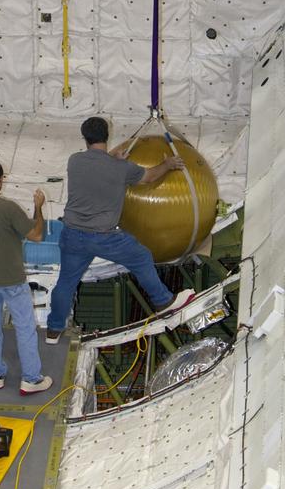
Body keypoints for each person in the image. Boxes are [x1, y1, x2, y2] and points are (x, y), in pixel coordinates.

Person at [46, 117, 196, 342]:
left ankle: (53, 330)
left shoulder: (74, 161)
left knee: (66, 283)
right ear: (107, 135)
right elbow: (150, 177)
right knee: (141, 256)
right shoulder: (122, 168)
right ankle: (163, 302)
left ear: (85, 138)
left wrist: (114, 160)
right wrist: (169, 164)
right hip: (104, 237)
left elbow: (98, 169)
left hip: (72, 235)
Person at [0, 160, 53, 396]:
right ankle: (31, 379)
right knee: (25, 328)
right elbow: (36, 235)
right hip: (12, 280)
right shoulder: (8, 208)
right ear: (1, 180)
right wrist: (38, 207)